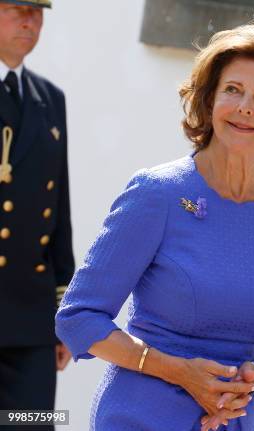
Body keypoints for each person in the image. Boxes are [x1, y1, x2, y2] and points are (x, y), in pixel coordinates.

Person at [55, 23, 254, 431]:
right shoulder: (158, 192)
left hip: (233, 420)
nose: (245, 106)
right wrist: (180, 372)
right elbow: (79, 317)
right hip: (141, 417)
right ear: (210, 100)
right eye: (233, 90)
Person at [0, 0, 74, 425]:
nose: (29, 20)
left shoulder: (50, 99)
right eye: (16, 8)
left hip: (30, 321)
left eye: (37, 10)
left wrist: (64, 311)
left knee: (29, 422)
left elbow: (57, 212)